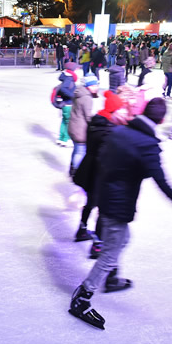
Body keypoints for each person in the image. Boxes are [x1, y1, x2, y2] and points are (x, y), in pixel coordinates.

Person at [69, 98, 172, 330]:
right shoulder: (147, 145)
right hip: (118, 206)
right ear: (162, 120)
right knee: (109, 253)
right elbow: (163, 185)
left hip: (104, 198)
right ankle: (83, 297)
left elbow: (105, 161)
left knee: (123, 240)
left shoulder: (118, 132)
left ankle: (112, 278)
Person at [72, 90, 125, 246]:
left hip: (89, 170)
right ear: (114, 111)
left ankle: (82, 230)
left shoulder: (96, 122)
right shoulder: (108, 131)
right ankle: (98, 245)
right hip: (100, 175)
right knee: (103, 209)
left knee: (90, 203)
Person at [67, 74, 99, 176]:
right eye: (94, 85)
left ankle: (72, 168)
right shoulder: (86, 98)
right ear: (88, 86)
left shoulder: (79, 92)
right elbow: (88, 116)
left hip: (73, 126)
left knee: (76, 150)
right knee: (80, 152)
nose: (96, 87)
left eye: (97, 85)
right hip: (80, 130)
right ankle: (76, 172)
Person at [56, 62, 78, 147]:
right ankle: (65, 139)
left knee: (64, 121)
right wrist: (73, 96)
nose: (77, 69)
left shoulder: (66, 76)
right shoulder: (69, 78)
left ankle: (61, 138)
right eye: (76, 68)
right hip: (68, 103)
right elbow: (63, 89)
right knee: (69, 122)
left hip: (64, 103)